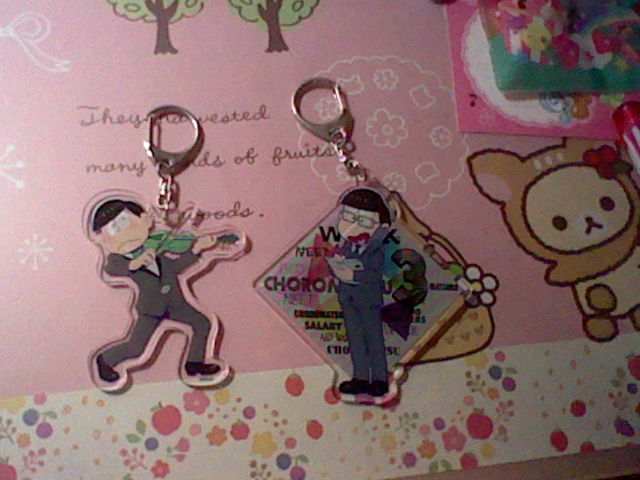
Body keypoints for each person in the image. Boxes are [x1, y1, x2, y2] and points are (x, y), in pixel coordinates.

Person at [89, 199, 221, 384]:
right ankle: (106, 360)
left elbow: (176, 267)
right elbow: (112, 268)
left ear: (145, 220)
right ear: (104, 239)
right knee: (136, 348)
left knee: (202, 323)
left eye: (125, 223)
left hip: (175, 304)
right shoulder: (119, 260)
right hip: (151, 309)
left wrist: (196, 250)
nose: (123, 234)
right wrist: (135, 263)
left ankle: (194, 363)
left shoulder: (157, 253)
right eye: (113, 230)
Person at [329, 187, 392, 397]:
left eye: (363, 221)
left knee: (374, 339)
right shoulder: (346, 245)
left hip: (369, 300)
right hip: (348, 298)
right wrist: (338, 264)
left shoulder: (377, 248)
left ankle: (380, 379)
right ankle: (360, 377)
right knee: (355, 338)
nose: (353, 225)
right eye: (348, 217)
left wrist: (354, 274)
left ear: (381, 226)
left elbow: (374, 273)